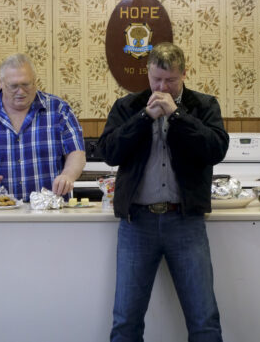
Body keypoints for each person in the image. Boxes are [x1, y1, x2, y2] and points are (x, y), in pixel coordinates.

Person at [98, 42, 229, 342]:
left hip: (185, 222)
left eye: (170, 80)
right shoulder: (128, 107)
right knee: (125, 322)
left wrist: (178, 116)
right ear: (148, 73)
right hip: (136, 224)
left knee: (204, 319)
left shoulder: (203, 105)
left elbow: (215, 149)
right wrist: (145, 118)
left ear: (184, 73)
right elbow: (109, 151)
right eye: (156, 79)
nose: (162, 86)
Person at [0, 53, 85, 201]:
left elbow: (76, 151)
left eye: (26, 84)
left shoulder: (58, 110)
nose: (21, 92)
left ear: (35, 82)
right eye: (13, 86)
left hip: (48, 214)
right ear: (1, 83)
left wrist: (68, 175)